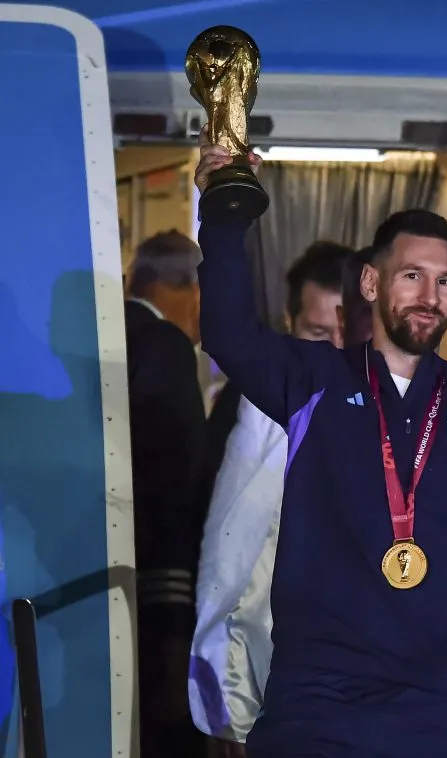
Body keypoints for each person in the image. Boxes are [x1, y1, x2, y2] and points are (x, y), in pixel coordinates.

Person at [192, 126, 447, 758]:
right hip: (313, 702)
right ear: (371, 284)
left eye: (446, 281)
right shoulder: (312, 381)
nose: (431, 297)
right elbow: (229, 332)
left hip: (433, 708)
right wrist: (224, 212)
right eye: (413, 277)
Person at [189, 240, 357, 754]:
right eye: (316, 333)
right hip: (265, 677)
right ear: (289, 321)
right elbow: (222, 553)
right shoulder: (250, 408)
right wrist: (228, 695)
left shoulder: (402, 411)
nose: (333, 348)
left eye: (345, 333)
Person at [123, 230, 209, 758]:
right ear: (192, 292)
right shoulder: (165, 346)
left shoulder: (107, 335)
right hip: (152, 597)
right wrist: (177, 628)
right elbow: (175, 488)